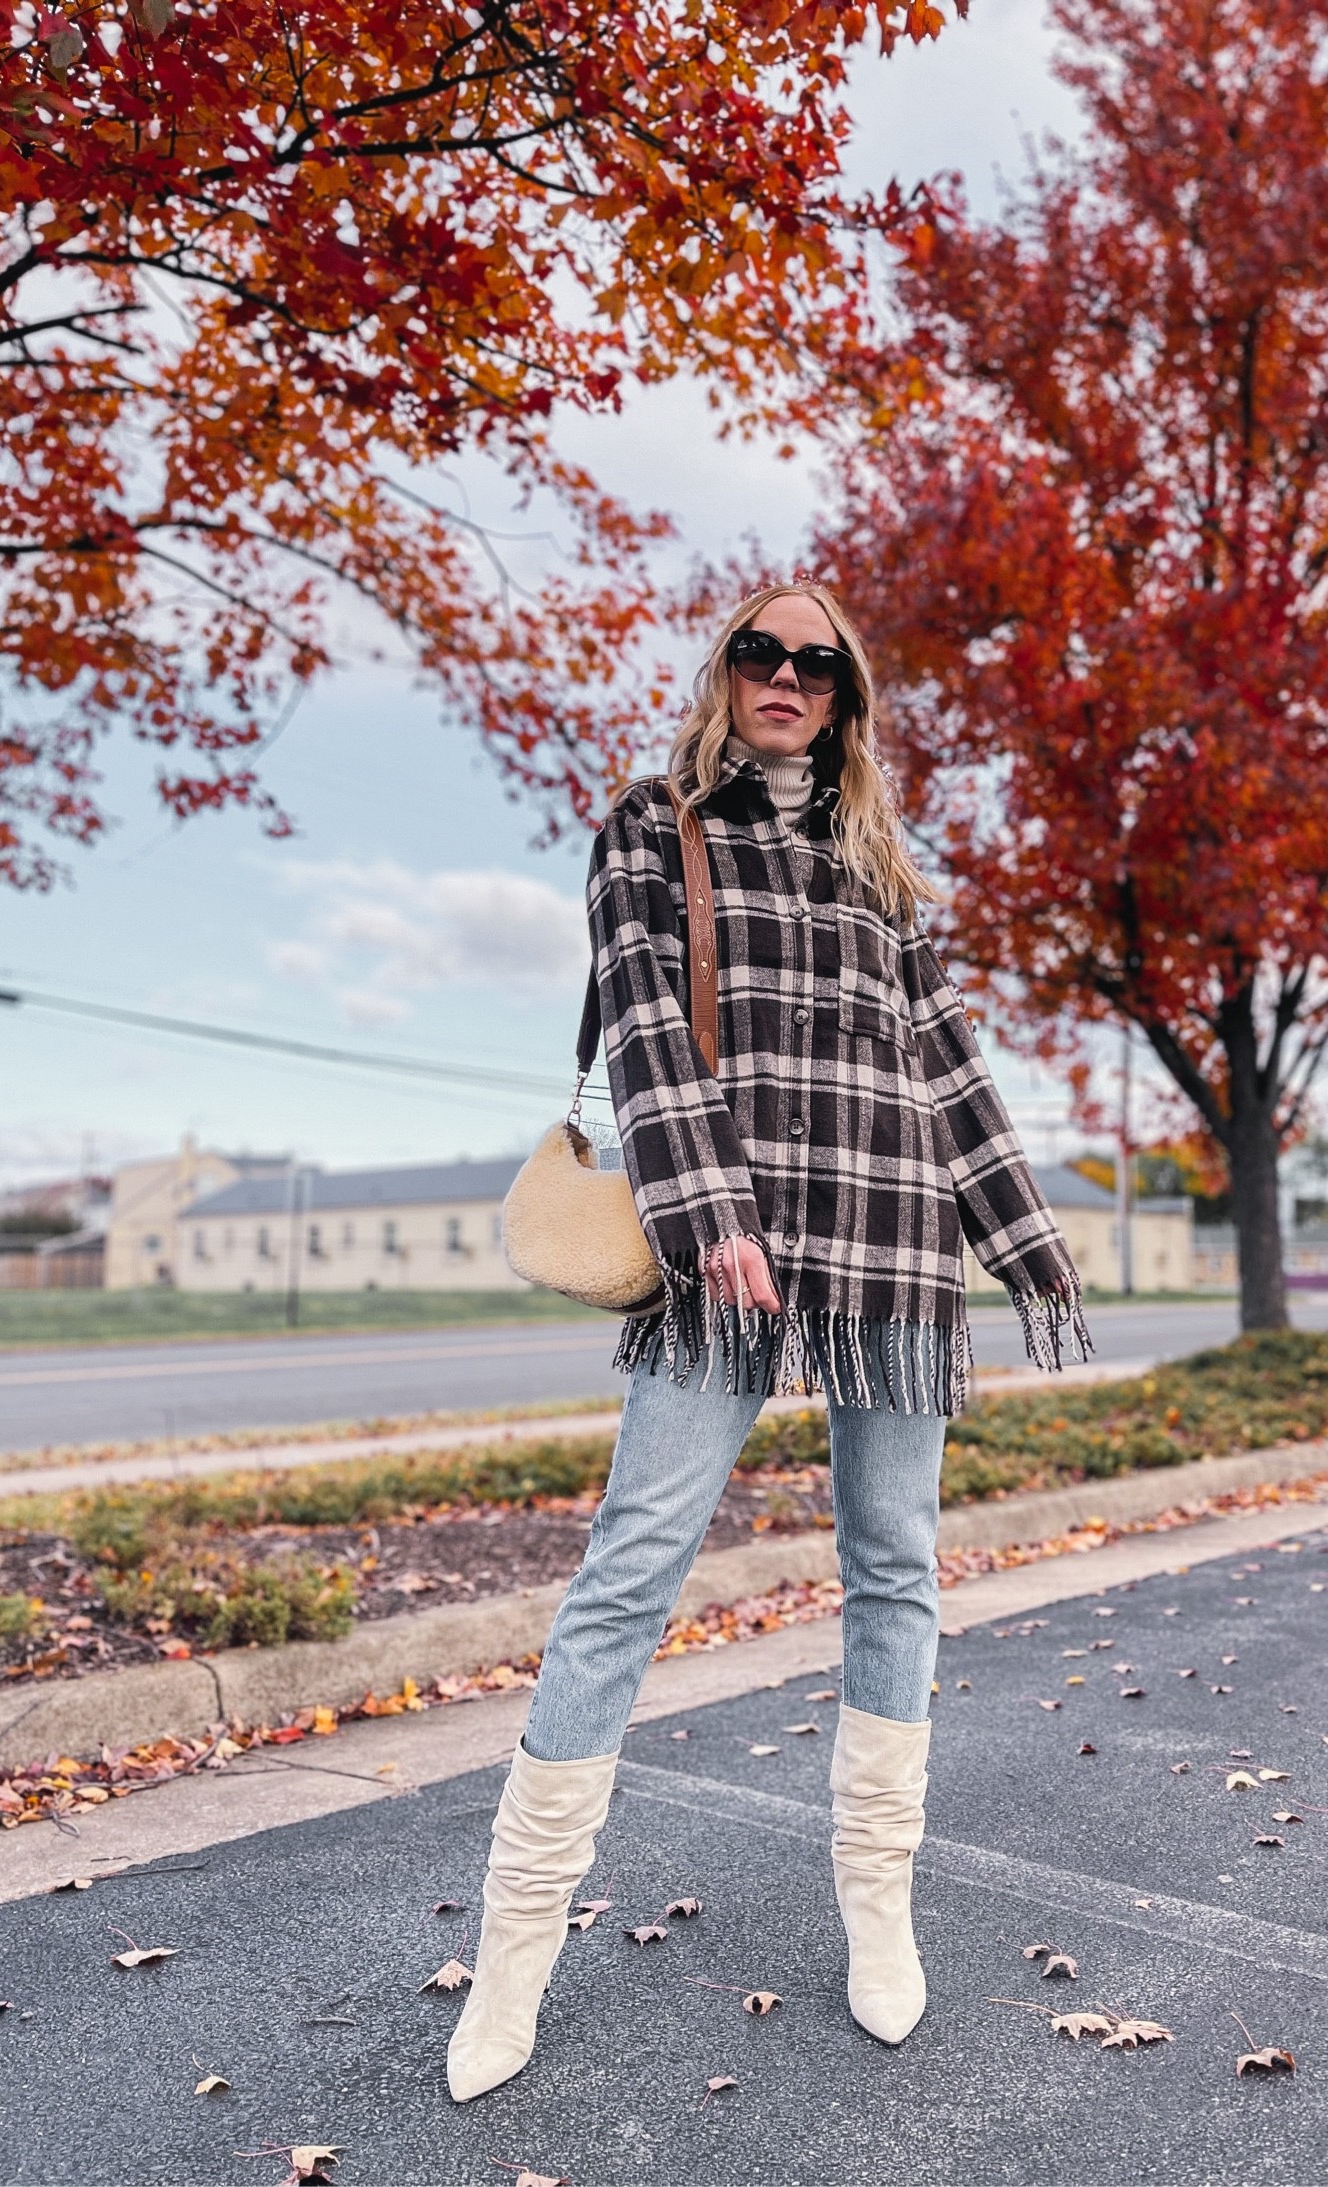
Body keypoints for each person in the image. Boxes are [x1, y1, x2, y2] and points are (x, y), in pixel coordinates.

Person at [447, 583, 1089, 2100]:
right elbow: (645, 1028)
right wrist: (705, 1210)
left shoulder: (873, 864)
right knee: (629, 1569)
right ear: (723, 672)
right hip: (717, 1248)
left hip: (885, 1236)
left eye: (817, 662)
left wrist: (1023, 1241)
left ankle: (879, 1903)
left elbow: (945, 1068)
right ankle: (516, 1949)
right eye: (762, 653)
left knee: (894, 1567)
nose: (787, 678)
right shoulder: (649, 826)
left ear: (845, 693)